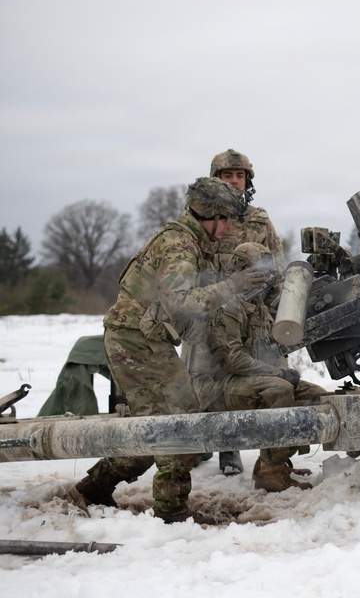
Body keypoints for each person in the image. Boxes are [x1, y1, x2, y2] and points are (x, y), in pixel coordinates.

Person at [68, 177, 271, 524]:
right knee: (179, 421)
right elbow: (180, 303)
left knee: (156, 425)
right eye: (224, 219)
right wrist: (234, 286)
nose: (227, 228)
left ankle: (93, 488)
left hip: (143, 339)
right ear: (208, 215)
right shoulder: (179, 243)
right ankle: (171, 512)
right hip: (134, 341)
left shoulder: (191, 240)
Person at [197, 242, 328, 492]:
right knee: (279, 391)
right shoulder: (229, 307)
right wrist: (277, 374)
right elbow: (232, 359)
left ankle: (274, 460)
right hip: (222, 386)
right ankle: (271, 472)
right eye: (259, 270)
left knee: (316, 395)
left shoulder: (258, 307)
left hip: (251, 380)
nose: (266, 276)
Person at [186, 148, 284, 475]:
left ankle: (268, 458)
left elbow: (276, 269)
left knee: (263, 378)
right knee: (207, 382)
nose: (234, 181)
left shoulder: (259, 221)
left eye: (239, 176)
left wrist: (278, 313)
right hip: (210, 312)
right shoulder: (203, 219)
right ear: (216, 180)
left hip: (254, 315)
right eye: (227, 176)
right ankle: (212, 445)